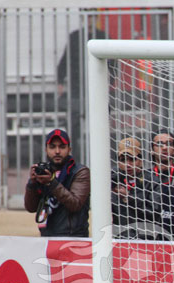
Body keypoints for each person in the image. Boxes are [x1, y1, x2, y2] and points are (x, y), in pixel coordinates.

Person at [24, 129, 90, 237]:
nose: (57, 151)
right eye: (52, 147)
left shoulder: (80, 171)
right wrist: (32, 183)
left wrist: (51, 183)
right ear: (46, 150)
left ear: (69, 149)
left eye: (62, 147)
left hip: (73, 237)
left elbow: (75, 204)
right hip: (47, 236)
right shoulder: (44, 171)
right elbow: (30, 208)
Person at [57, 17, 108, 155]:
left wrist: (110, 82)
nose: (90, 20)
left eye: (93, 17)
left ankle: (101, 153)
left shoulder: (102, 36)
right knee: (74, 124)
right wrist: (60, 80)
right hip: (77, 87)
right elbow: (65, 59)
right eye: (88, 17)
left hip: (98, 86)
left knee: (101, 123)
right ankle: (75, 154)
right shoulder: (75, 37)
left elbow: (112, 62)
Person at [111, 136, 165, 240]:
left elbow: (154, 214)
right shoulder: (112, 181)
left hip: (146, 241)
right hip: (119, 241)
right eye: (123, 160)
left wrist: (128, 198)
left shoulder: (152, 182)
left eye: (132, 159)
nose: (128, 164)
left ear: (140, 160)